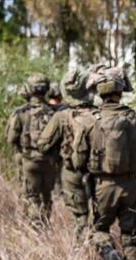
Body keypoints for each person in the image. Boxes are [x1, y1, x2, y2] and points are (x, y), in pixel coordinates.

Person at [73, 64, 136, 260]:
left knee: (99, 229)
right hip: (129, 185)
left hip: (102, 186)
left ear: (101, 93)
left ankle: (109, 254)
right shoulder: (134, 118)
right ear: (120, 92)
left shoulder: (90, 120)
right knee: (131, 234)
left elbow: (77, 160)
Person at [37, 68, 98, 241]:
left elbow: (43, 145)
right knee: (98, 217)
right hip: (98, 173)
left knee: (80, 218)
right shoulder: (99, 114)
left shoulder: (61, 116)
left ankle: (80, 252)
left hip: (71, 172)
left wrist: (57, 156)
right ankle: (98, 247)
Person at [5, 73, 58, 227]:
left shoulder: (21, 112)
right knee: (46, 196)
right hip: (50, 162)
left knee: (32, 196)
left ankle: (37, 227)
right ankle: (45, 223)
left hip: (29, 161)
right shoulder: (55, 112)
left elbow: (11, 138)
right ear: (46, 89)